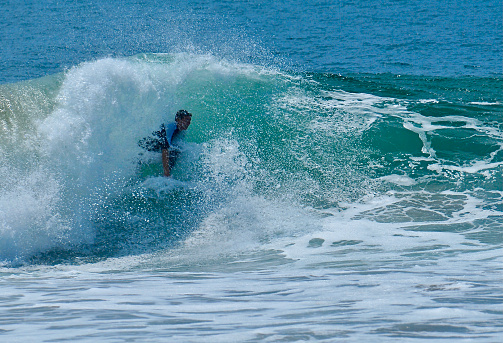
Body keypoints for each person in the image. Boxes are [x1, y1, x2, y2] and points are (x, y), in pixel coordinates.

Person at [138, 109, 192, 177]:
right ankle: (166, 175)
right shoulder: (171, 127)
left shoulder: (181, 130)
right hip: (146, 146)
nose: (188, 123)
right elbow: (165, 149)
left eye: (189, 120)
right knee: (172, 153)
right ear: (178, 119)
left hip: (155, 146)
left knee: (176, 152)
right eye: (186, 120)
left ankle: (165, 174)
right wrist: (166, 172)